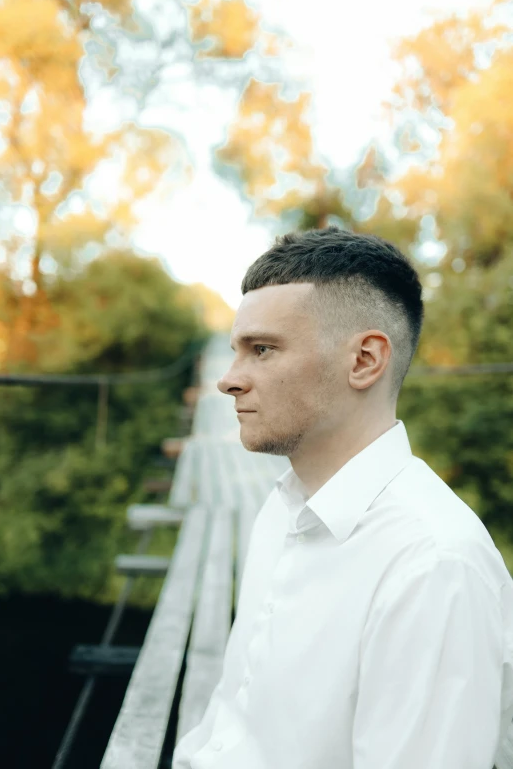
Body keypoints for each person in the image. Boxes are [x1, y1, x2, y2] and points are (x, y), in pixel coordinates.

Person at [172, 226, 513, 769]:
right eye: (237, 351)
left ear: (364, 361)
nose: (229, 380)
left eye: (262, 349)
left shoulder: (433, 567)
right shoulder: (279, 508)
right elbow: (230, 723)